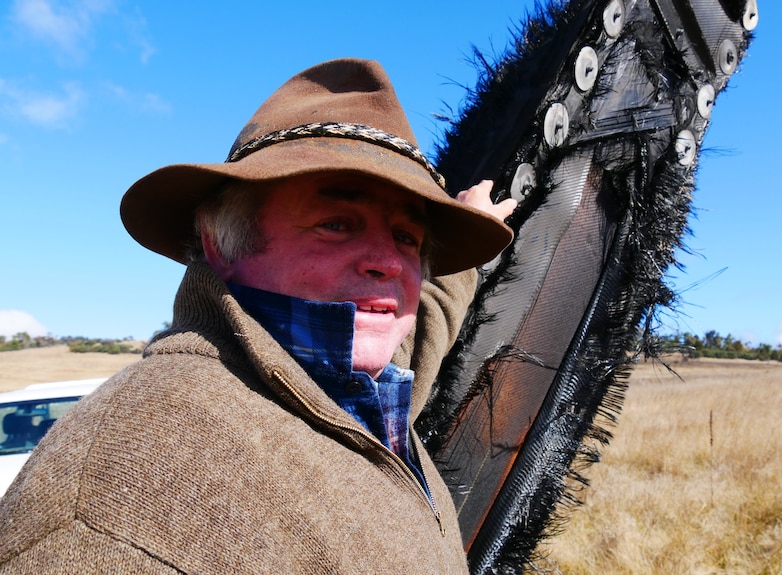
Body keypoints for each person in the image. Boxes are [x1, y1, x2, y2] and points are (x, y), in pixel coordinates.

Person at [0, 59, 514, 573]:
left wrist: (463, 255)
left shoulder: (358, 392)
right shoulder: (129, 496)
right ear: (220, 244)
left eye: (407, 237)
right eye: (336, 223)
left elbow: (417, 327)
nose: (388, 263)